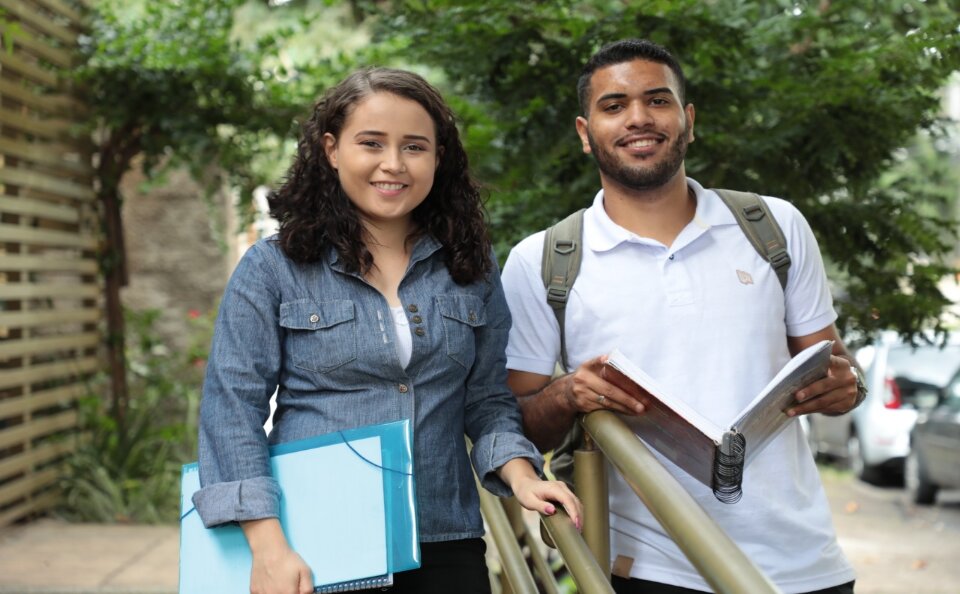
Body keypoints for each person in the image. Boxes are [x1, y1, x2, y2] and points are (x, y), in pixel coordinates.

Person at [192, 67, 581, 594]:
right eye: (371, 143)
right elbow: (231, 409)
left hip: (445, 539)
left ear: (438, 157)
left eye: (414, 147)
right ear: (332, 149)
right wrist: (268, 546)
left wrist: (523, 476)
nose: (392, 165)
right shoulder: (272, 268)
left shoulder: (471, 267)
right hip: (314, 543)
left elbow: (487, 401)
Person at [501, 39, 861, 594]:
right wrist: (569, 393)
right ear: (584, 131)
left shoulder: (776, 227)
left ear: (687, 120)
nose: (639, 118)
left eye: (658, 100)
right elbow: (513, 418)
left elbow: (833, 369)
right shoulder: (540, 262)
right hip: (649, 567)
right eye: (614, 105)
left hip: (802, 565)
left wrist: (847, 385)